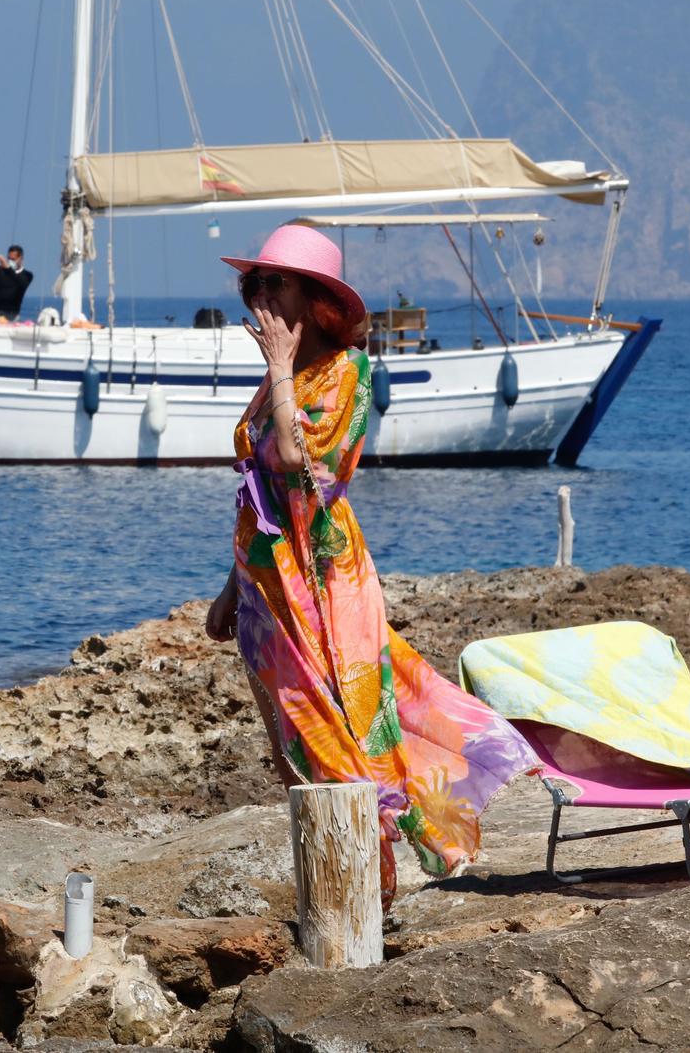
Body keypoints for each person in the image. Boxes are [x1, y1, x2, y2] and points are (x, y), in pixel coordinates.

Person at [202, 223, 535, 905]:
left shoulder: (347, 373)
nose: (259, 296)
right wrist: (230, 590)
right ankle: (334, 890)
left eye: (276, 283)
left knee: (344, 734)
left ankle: (366, 891)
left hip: (324, 586)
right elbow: (261, 493)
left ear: (316, 299)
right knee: (293, 744)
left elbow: (301, 467)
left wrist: (279, 370)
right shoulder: (281, 379)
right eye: (254, 283)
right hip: (271, 593)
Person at [0, 245, 33, 321]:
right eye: (9, 259)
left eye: (13, 259)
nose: (10, 261)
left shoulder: (27, 275)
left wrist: (8, 268)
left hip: (13, 315)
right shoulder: (0, 271)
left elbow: (22, 283)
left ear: (20, 258)